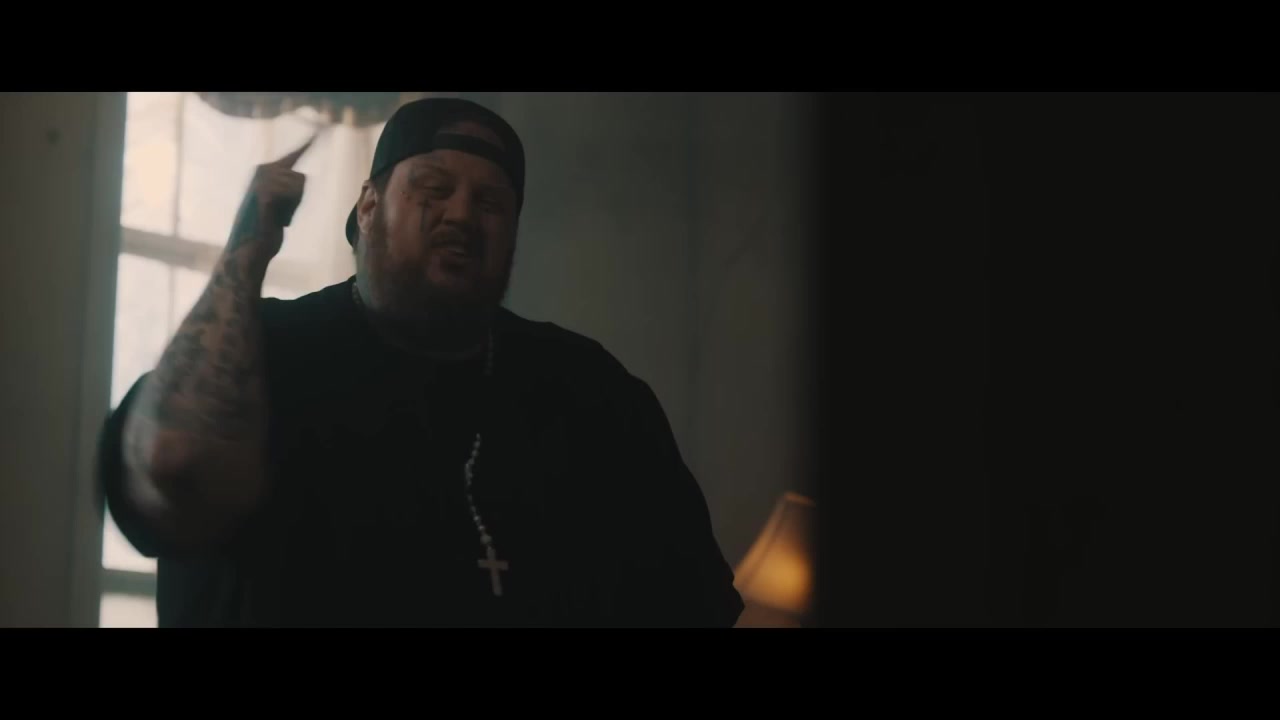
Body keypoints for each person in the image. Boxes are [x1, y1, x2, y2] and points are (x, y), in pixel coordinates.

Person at [98, 97, 744, 628]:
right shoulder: (264, 348)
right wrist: (248, 248)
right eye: (434, 189)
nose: (462, 214)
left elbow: (691, 602)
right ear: (368, 207)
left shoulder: (591, 391)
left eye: (491, 203)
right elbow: (174, 463)